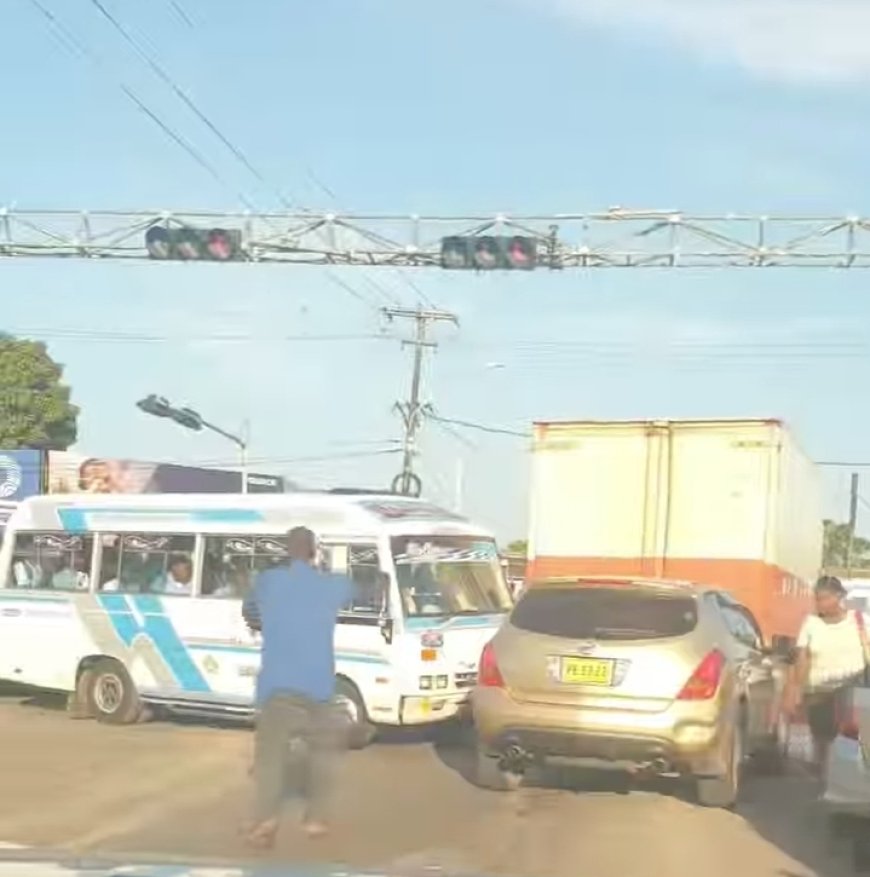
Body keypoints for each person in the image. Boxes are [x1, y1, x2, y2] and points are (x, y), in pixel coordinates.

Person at [241, 526, 351, 848]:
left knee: (271, 759)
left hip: (277, 685)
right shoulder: (332, 585)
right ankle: (316, 819)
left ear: (287, 551)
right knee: (322, 755)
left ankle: (266, 820)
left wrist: (264, 623)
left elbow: (249, 612)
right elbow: (365, 589)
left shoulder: (269, 582)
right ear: (315, 552)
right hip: (319, 685)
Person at [785, 575, 870, 779]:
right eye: (817, 598)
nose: (820, 603)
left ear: (839, 596)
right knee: (823, 739)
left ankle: (851, 775)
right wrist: (795, 688)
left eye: (825, 598)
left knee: (850, 735)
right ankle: (825, 776)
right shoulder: (811, 623)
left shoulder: (859, 620)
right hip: (819, 691)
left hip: (853, 688)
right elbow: (803, 657)